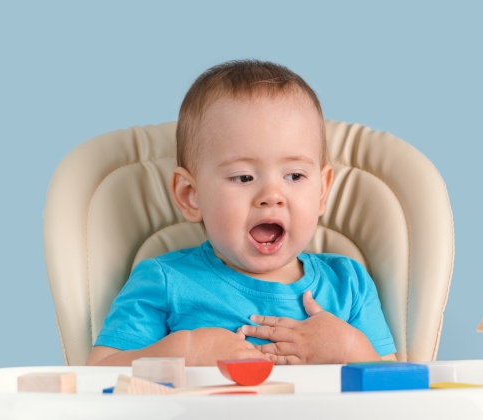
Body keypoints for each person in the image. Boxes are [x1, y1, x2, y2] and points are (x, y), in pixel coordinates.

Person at [86, 60, 397, 366]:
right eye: (244, 177)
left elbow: (400, 396)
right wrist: (185, 351)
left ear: (322, 192)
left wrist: (349, 349)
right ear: (190, 195)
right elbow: (96, 375)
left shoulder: (348, 284)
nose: (272, 196)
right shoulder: (165, 281)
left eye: (295, 176)